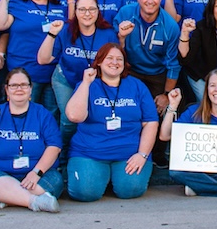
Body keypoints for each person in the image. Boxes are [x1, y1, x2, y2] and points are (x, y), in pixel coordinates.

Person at [65, 44, 158, 202]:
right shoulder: (87, 85)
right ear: (99, 62)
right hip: (90, 152)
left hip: (129, 153)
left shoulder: (137, 86)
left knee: (131, 189)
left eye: (119, 59)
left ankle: (111, 177)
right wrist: (86, 83)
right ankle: (97, 176)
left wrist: (142, 155)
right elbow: (74, 116)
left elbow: (150, 122)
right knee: (85, 193)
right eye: (109, 58)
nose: (115, 62)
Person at [0, 68, 63, 212]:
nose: (19, 89)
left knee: (56, 180)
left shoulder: (42, 114)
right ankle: (34, 201)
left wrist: (36, 172)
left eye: (24, 85)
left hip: (36, 175)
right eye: (14, 85)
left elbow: (54, 147)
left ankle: (2, 198)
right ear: (7, 90)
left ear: (30, 89)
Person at [40, 0, 118, 150]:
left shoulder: (108, 33)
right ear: (75, 11)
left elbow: (116, 62)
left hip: (96, 83)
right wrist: (51, 34)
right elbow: (43, 59)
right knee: (69, 120)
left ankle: (84, 152)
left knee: (93, 118)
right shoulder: (66, 29)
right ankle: (62, 156)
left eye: (92, 9)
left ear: (98, 11)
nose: (87, 14)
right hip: (66, 79)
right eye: (82, 9)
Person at [0, 0, 65, 115]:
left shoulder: (59, 6)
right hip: (26, 72)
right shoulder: (18, 4)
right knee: (26, 115)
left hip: (53, 74)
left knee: (51, 116)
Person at [113, 0, 181, 116]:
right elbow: (113, 52)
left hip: (157, 74)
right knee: (126, 110)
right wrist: (121, 37)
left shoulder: (170, 26)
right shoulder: (125, 14)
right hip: (129, 70)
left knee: (156, 113)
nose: (150, 1)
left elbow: (173, 64)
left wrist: (166, 94)